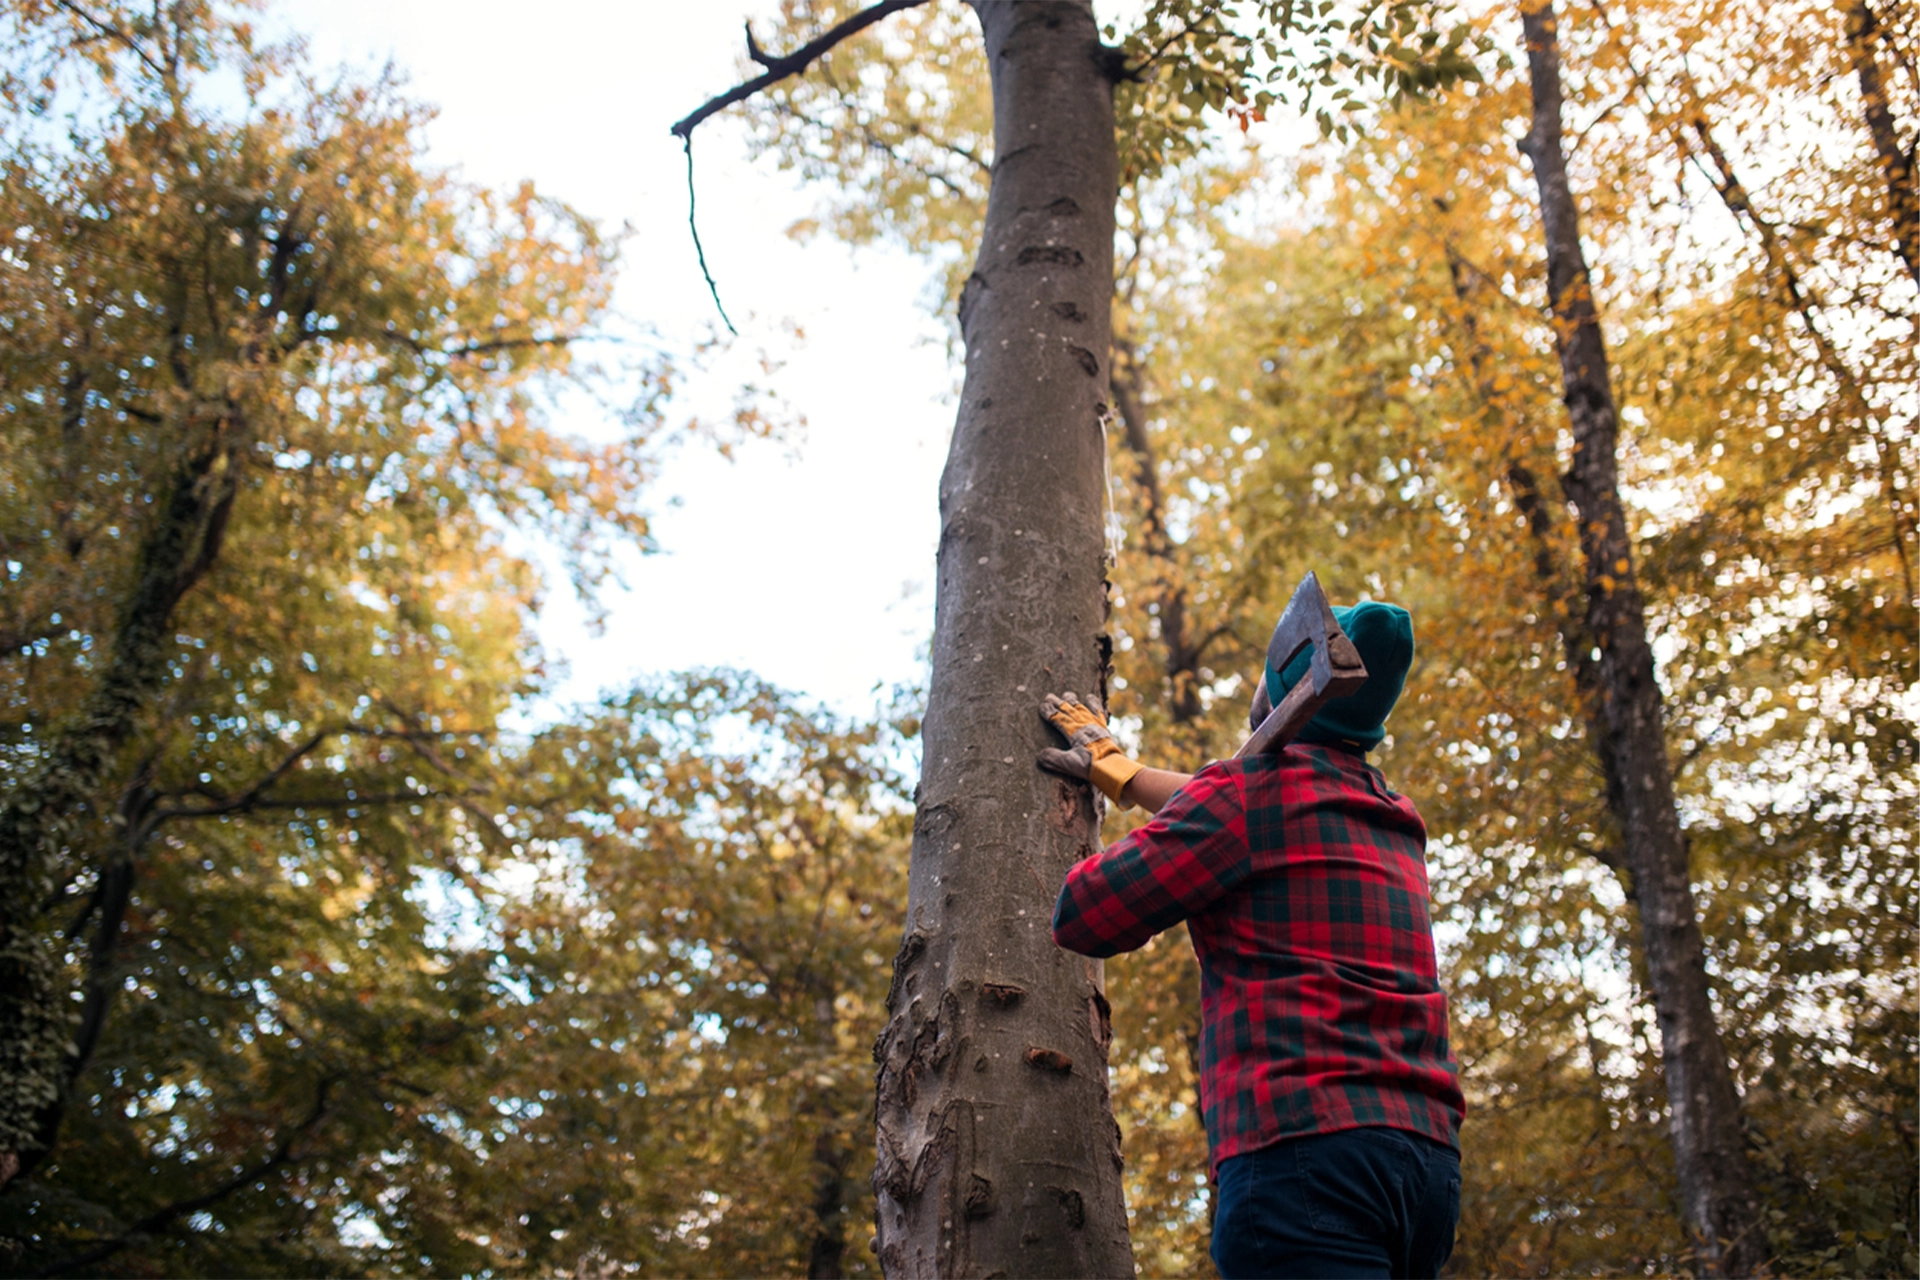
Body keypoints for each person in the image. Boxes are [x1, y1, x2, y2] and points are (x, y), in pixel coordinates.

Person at [1039, 601, 1465, 1280]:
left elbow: (1084, 914)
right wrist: (1119, 772)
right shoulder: (1392, 817)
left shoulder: (1246, 799)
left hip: (1305, 1157)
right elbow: (1247, 812)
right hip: (1424, 1169)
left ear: (1284, 686)